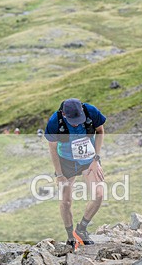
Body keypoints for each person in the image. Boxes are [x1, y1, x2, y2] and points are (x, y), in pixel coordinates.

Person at [45, 98, 106, 249]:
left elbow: (100, 131)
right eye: (73, 121)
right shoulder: (55, 122)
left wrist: (96, 159)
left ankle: (82, 229)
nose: (77, 123)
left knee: (99, 194)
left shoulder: (90, 112)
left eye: (79, 120)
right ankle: (71, 237)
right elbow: (52, 148)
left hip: (88, 159)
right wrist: (59, 175)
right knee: (66, 201)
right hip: (66, 162)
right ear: (64, 115)